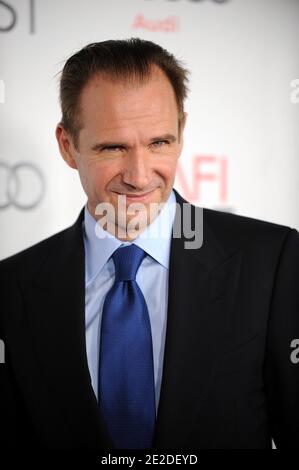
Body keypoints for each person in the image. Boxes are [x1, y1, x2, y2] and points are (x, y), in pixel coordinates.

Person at [0, 38, 298, 450]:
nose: (139, 177)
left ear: (182, 132)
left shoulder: (271, 262)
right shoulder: (11, 288)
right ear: (68, 146)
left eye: (159, 142)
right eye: (113, 147)